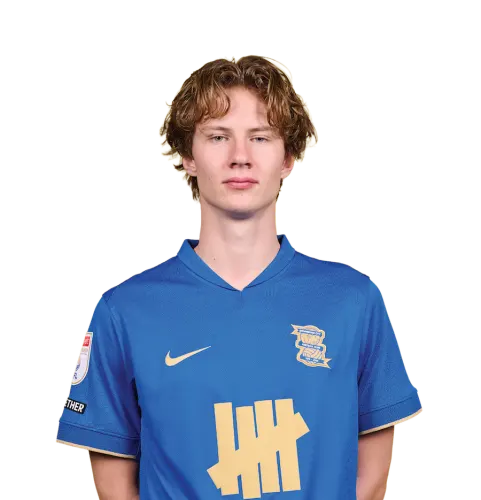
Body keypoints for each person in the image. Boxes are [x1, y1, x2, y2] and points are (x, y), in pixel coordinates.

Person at [55, 54, 423, 500]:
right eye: (218, 136)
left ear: (288, 157)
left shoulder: (352, 299)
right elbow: (115, 484)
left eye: (260, 137)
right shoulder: (124, 311)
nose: (240, 158)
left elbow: (371, 470)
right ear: (188, 156)